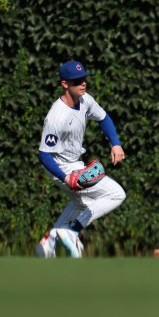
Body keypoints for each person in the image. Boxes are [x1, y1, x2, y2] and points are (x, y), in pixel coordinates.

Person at [35, 60, 126, 258]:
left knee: (82, 203)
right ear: (65, 84)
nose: (82, 83)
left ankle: (50, 239)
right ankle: (72, 230)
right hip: (59, 167)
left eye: (84, 78)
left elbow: (103, 118)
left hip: (75, 163)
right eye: (77, 81)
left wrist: (115, 143)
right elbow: (44, 154)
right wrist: (65, 177)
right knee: (116, 194)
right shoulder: (56, 116)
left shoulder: (85, 100)